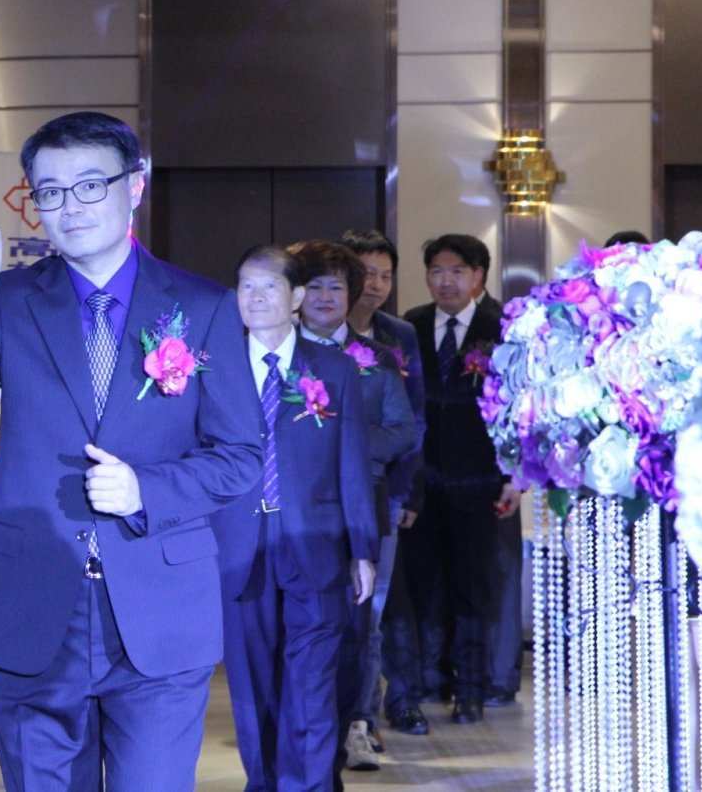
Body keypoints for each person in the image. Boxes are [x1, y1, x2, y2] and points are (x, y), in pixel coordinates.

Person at [0, 112, 263, 791]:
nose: (69, 207)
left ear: (135, 186)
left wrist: (147, 490)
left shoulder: (203, 306)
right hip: (31, 603)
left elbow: (241, 455)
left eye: (90, 185)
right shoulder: (6, 301)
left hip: (158, 609)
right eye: (50, 192)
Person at [214, 244, 377, 792]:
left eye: (269, 286)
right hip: (239, 549)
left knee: (312, 685)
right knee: (253, 687)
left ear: (297, 298)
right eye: (246, 286)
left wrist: (362, 548)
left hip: (317, 545)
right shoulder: (214, 369)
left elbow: (352, 463)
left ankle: (306, 785)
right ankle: (264, 782)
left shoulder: (333, 369)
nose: (256, 298)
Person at [290, 239, 421, 773]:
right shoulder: (276, 352)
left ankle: (356, 725)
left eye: (336, 287)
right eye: (314, 286)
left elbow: (403, 430)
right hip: (292, 508)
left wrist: (345, 447)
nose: (325, 297)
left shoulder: (379, 358)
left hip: (363, 503)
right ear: (297, 294)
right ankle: (299, 728)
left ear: (351, 295)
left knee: (362, 619)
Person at [396, 235, 519, 726]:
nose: (445, 281)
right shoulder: (410, 326)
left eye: (457, 272)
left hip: (479, 481)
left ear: (478, 277)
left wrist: (515, 475)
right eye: (436, 272)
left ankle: (470, 690)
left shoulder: (502, 327)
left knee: (474, 589)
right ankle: (429, 681)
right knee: (424, 586)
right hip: (423, 482)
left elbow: (518, 407)